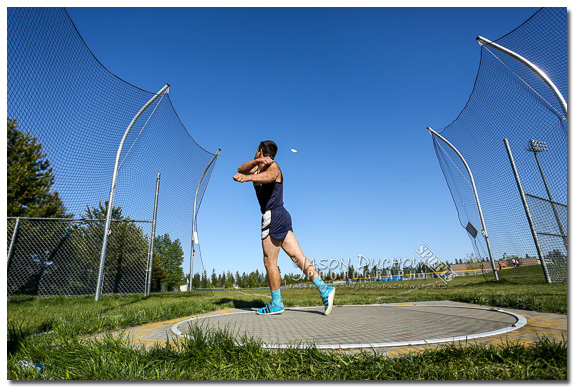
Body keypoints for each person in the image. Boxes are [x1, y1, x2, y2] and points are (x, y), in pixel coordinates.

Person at [233, 140, 336, 316]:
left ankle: (276, 303)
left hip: (273, 215)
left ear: (259, 150)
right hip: (281, 215)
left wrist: (249, 177)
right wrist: (256, 163)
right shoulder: (258, 166)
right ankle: (324, 289)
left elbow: (270, 177)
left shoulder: (273, 166)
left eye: (256, 152)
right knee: (298, 257)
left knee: (269, 261)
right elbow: (241, 169)